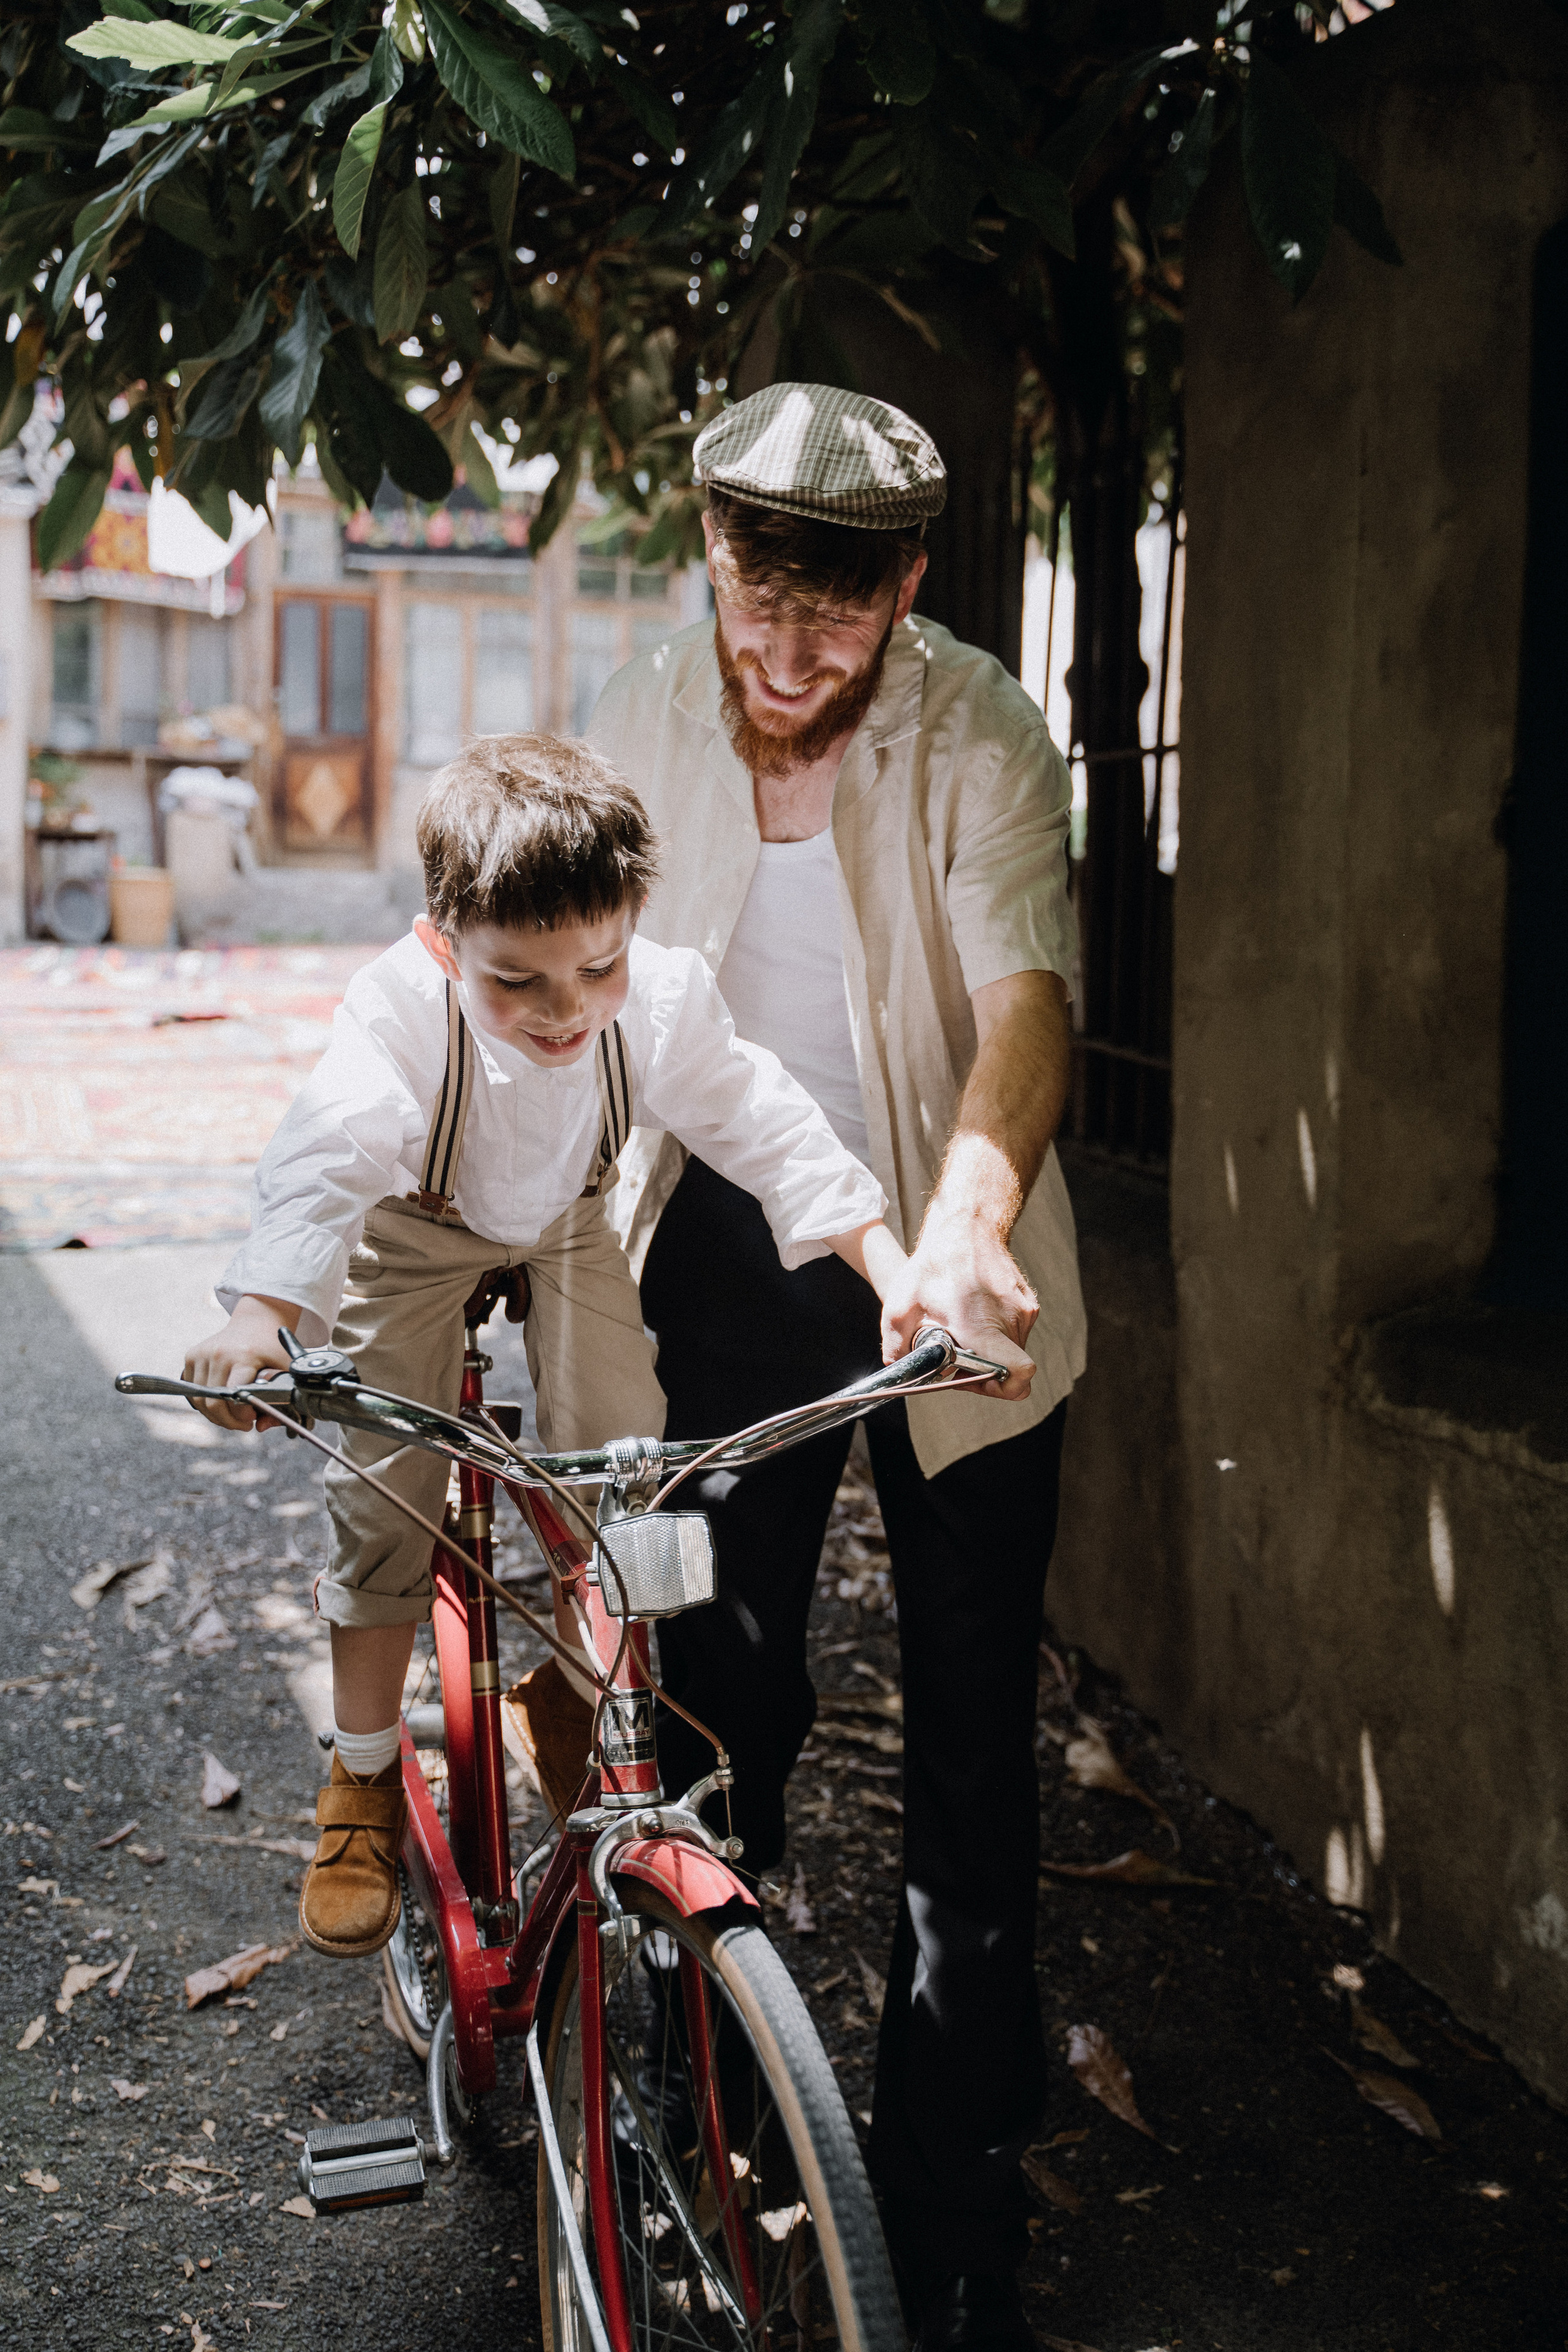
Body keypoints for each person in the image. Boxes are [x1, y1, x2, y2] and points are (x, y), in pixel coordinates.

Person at [586, 383, 1087, 2352]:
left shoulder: (982, 729)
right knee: (723, 1703)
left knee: (975, 1746)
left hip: (961, 1261)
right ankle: (718, 2111)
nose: (787, 664)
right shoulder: (634, 712)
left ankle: (956, 2218)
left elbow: (1028, 995)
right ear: (711, 552)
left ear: (907, 586)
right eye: (754, 610)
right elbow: (559, 981)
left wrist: (964, 1220)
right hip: (717, 1252)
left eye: (838, 625)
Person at [183, 732, 913, 1963]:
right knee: (384, 1479)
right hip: (418, 1228)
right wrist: (263, 1317)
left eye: (598, 966)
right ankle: (360, 1775)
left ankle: (591, 1701)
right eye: (515, 981)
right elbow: (327, 1159)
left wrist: (895, 1276)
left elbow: (768, 1126)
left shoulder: (663, 1000)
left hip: (567, 1220)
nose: (565, 1010)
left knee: (629, 1466)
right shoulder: (402, 1013)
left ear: (634, 923)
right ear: (443, 944)